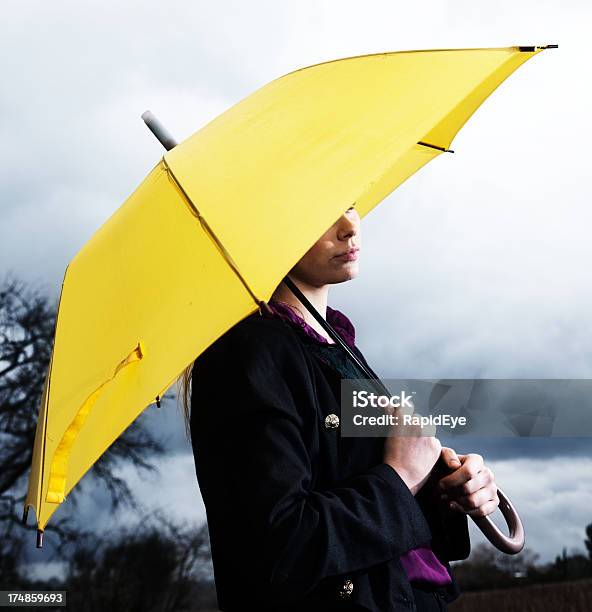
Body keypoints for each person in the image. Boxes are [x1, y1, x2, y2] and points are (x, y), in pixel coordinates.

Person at [179, 205, 499, 611]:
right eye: (320, 211)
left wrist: (446, 490)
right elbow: (278, 548)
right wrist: (400, 476)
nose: (349, 227)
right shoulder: (246, 355)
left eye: (349, 205)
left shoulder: (338, 348)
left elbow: (354, 485)